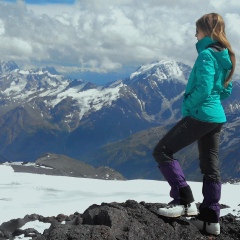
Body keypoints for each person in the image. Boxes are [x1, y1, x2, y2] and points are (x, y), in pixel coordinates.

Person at [152, 13, 235, 236]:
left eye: (197, 30)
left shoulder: (206, 55)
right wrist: (212, 99)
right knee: (211, 166)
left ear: (206, 31)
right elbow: (226, 88)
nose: (194, 34)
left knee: (162, 151)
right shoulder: (225, 55)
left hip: (201, 114)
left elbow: (206, 88)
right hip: (216, 116)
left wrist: (188, 101)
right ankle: (210, 218)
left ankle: (183, 199)